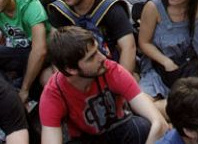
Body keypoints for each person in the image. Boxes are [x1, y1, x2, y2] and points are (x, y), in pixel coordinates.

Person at [40, 26, 169, 143]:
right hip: (86, 139)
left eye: (97, 50)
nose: (102, 58)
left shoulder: (110, 69)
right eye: (91, 57)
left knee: (142, 127)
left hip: (119, 129)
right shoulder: (54, 93)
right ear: (71, 69)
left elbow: (159, 123)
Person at [48, 0, 136, 73]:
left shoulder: (111, 8)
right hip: (78, 70)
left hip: (110, 65)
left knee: (134, 79)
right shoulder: (59, 10)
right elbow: (57, 53)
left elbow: (129, 47)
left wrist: (121, 83)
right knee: (47, 77)